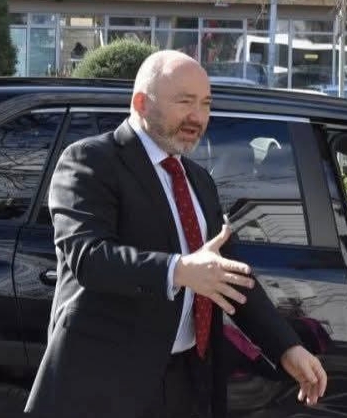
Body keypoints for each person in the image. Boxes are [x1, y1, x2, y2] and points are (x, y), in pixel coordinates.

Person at [25, 51, 327, 418]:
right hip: (108, 385)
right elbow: (89, 257)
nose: (197, 117)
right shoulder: (91, 160)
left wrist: (286, 347)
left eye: (205, 104)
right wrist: (178, 270)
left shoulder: (199, 181)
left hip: (188, 380)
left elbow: (231, 276)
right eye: (184, 102)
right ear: (141, 103)